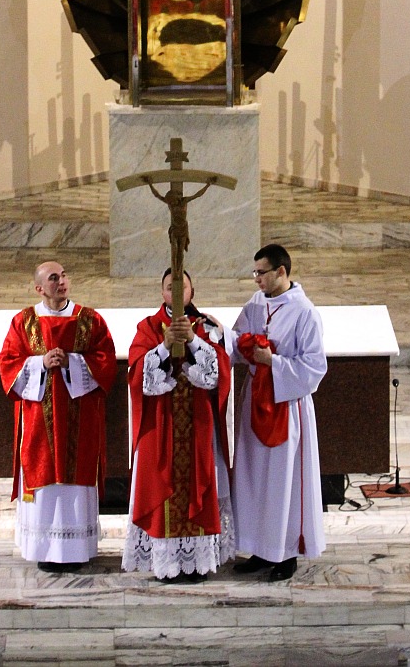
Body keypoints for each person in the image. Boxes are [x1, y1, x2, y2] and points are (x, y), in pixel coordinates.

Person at [0, 261, 117, 572]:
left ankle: (76, 549)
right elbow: (8, 363)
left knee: (75, 480)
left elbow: (106, 361)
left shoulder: (90, 320)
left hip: (81, 418)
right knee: (44, 480)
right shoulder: (24, 322)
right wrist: (40, 363)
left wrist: (71, 363)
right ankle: (45, 549)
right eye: (54, 278)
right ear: (39, 288)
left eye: (64, 275)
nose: (62, 282)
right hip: (39, 420)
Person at [122, 268, 234, 581]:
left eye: (181, 286)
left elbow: (219, 373)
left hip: (197, 424)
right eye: (169, 287)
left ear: (191, 291)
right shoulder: (147, 327)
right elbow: (136, 375)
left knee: (197, 483)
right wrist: (163, 345)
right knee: (161, 487)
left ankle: (196, 562)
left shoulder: (207, 326)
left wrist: (194, 341)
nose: (175, 292)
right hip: (160, 425)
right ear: (162, 294)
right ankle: (167, 563)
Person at [231, 243, 327, 582]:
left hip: (286, 406)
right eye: (254, 273)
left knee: (284, 480)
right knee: (255, 475)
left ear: (281, 272)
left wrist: (274, 362)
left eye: (261, 273)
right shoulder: (257, 303)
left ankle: (285, 553)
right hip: (254, 401)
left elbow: (315, 367)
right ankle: (259, 547)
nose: (256, 279)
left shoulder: (304, 312)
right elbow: (237, 339)